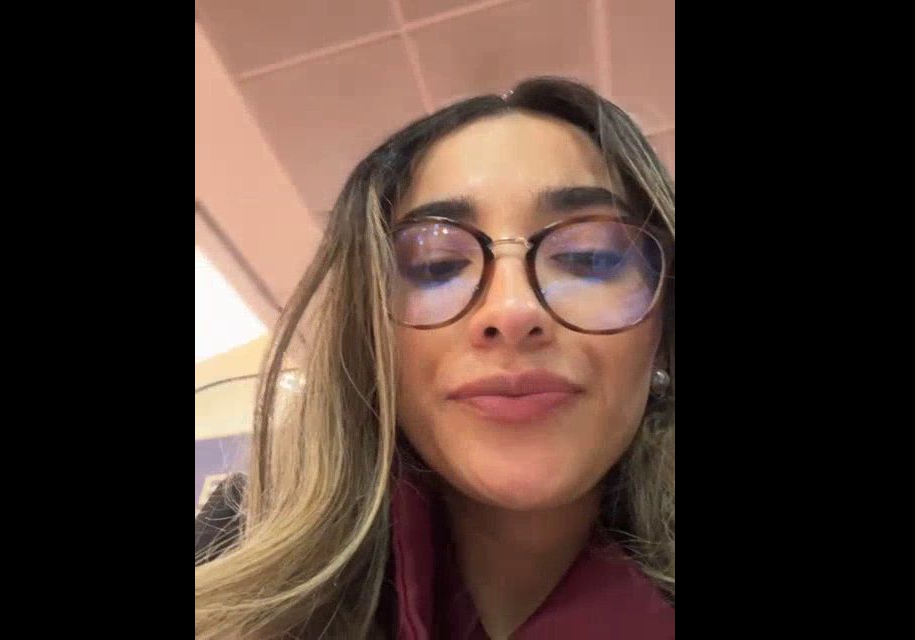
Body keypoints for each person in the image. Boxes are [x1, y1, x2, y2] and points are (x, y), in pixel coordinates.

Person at [195, 76, 675, 639]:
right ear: (368, 338)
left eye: (589, 257)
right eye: (436, 264)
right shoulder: (235, 537)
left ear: (661, 326)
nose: (513, 309)